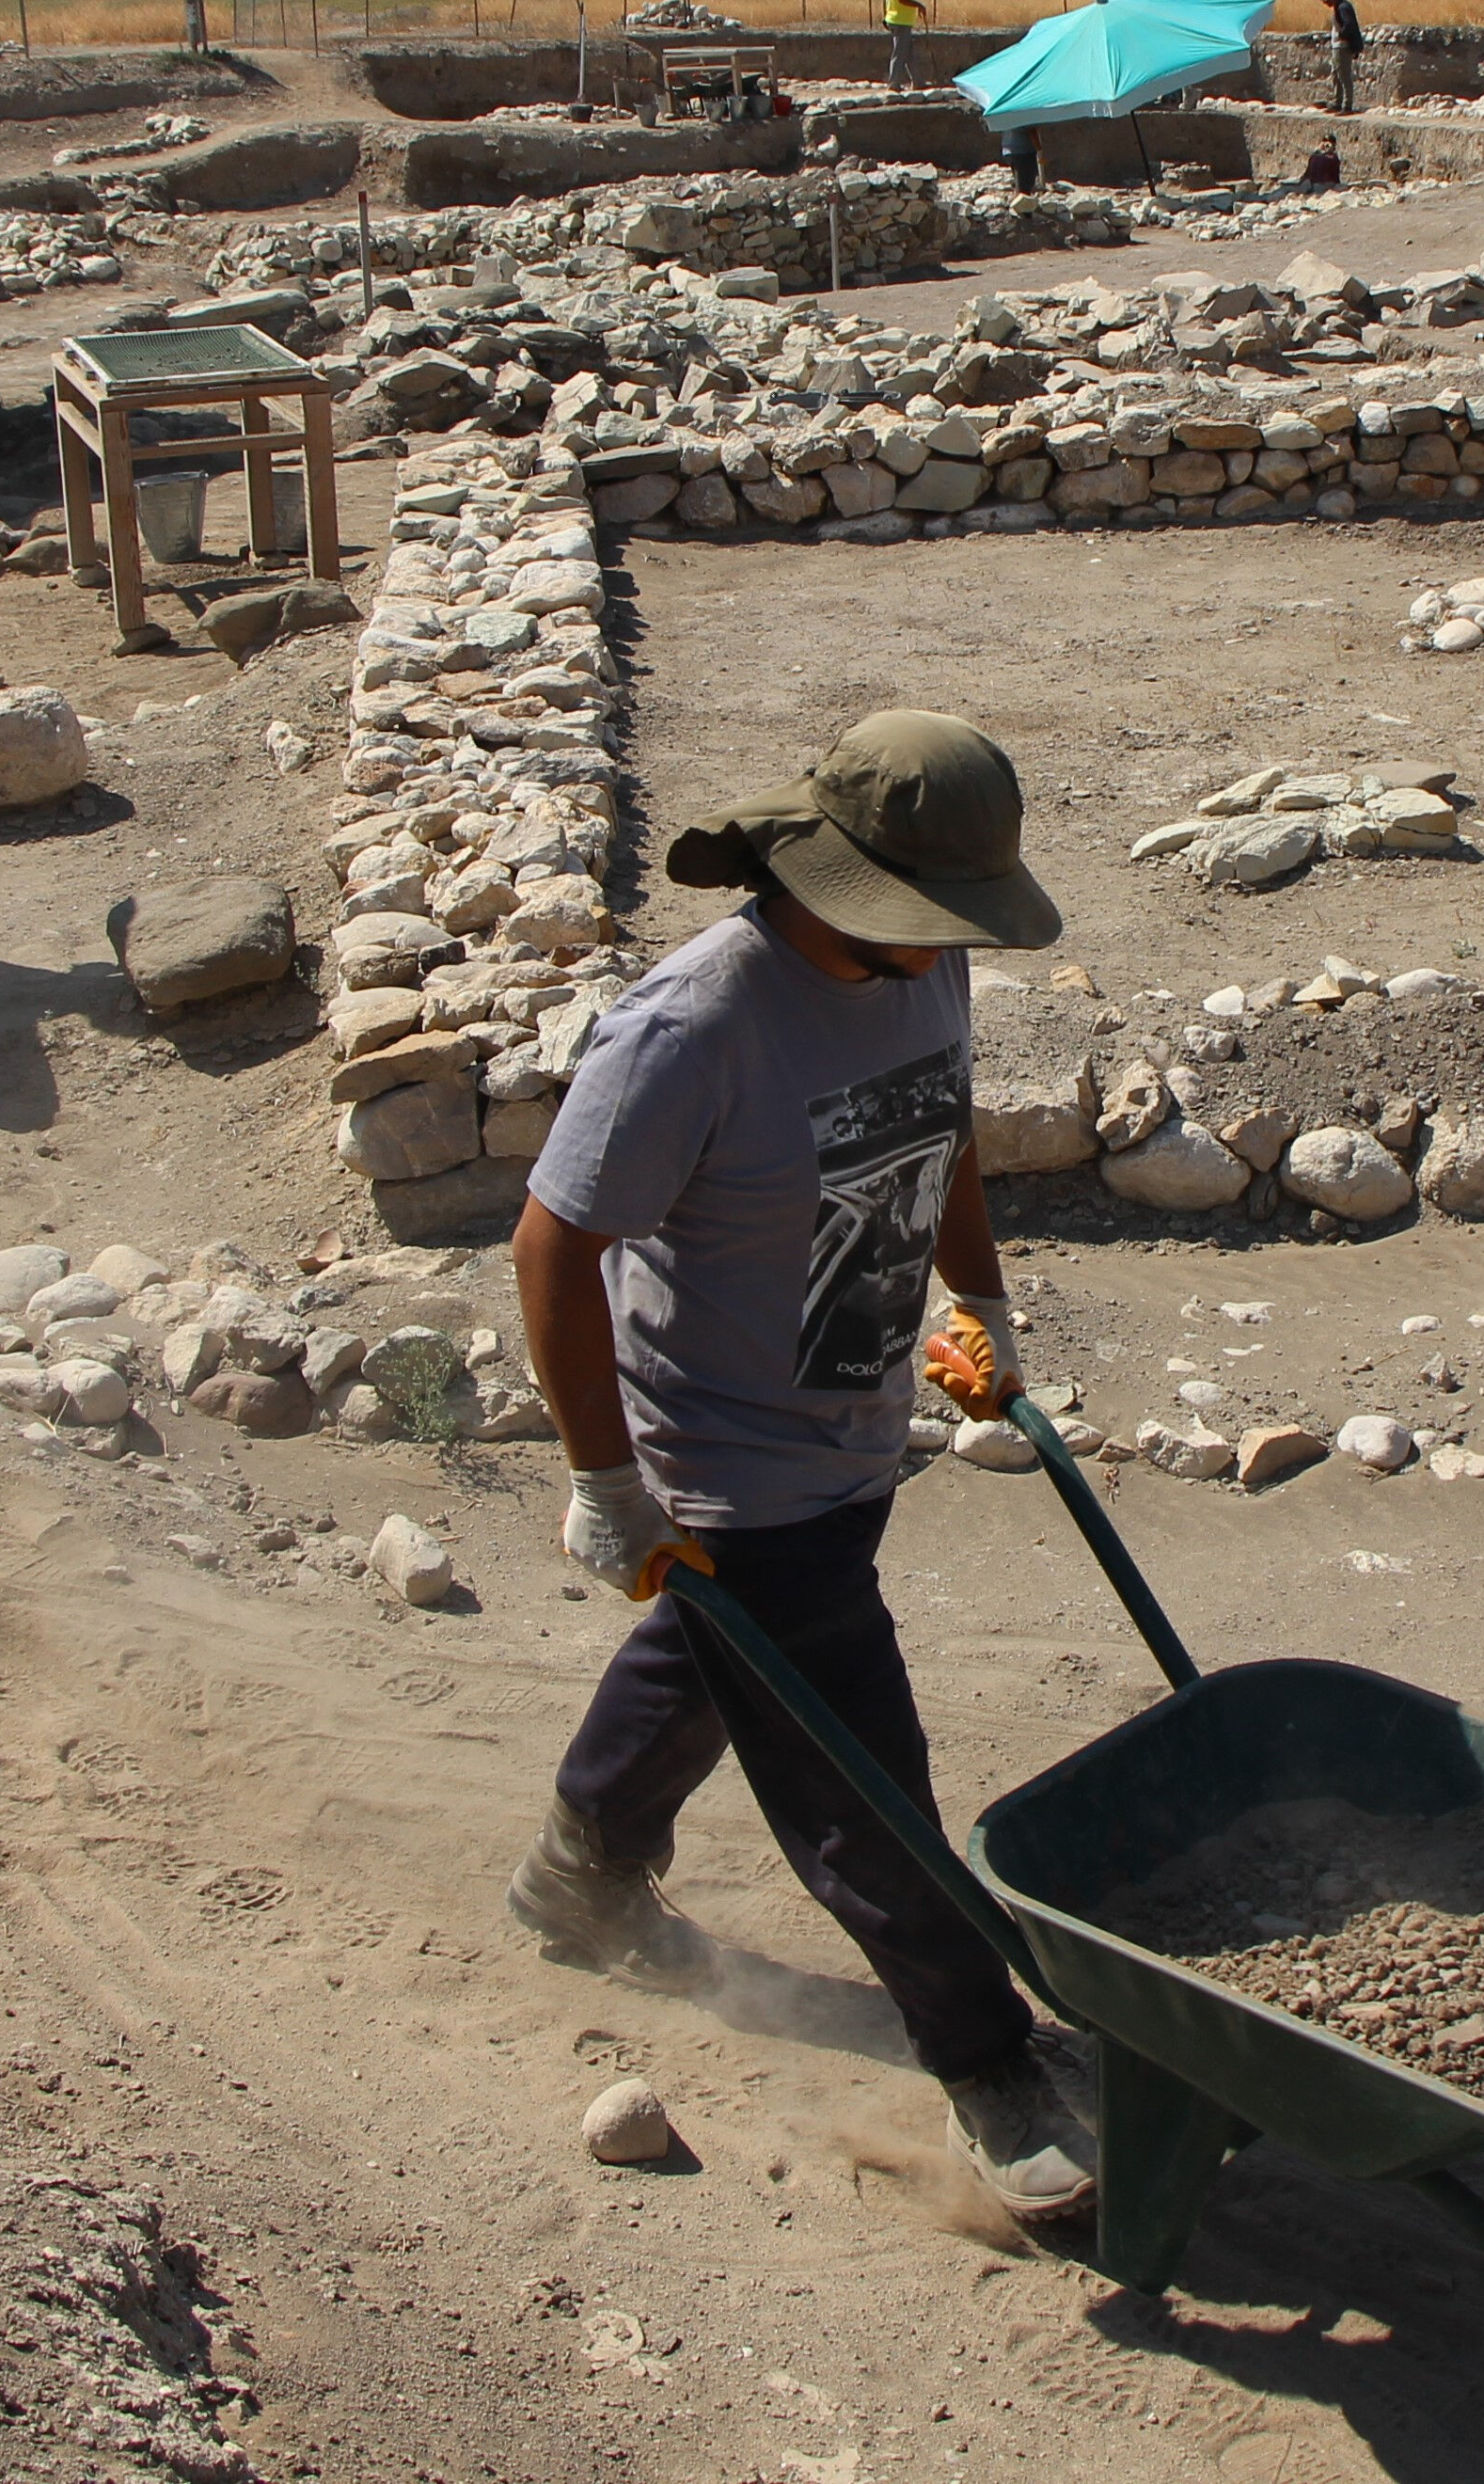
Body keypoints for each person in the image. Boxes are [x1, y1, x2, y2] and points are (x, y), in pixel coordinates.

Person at [507, 711, 1100, 2223]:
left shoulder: (923, 960)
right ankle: (985, 2059)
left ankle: (580, 1868)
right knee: (856, 1771)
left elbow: (941, 1130)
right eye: (933, 918)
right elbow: (554, 1244)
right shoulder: (693, 1029)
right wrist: (605, 1480)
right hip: (731, 1449)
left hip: (849, 1415)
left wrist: (978, 1298)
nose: (951, 943)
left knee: (722, 1652)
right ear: (842, 886)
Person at [878, 0, 928, 87]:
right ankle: (893, 83)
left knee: (908, 53)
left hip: (892, 17)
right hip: (901, 20)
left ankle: (918, 82)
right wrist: (919, 5)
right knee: (899, 53)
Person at [1317, 0, 1365, 117]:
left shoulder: (1343, 8)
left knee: (1344, 76)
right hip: (1338, 46)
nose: (1324, 3)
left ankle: (1347, 105)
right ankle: (1337, 103)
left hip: (1342, 47)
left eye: (1325, 0)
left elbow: (1349, 25)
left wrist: (1341, 35)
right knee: (1336, 75)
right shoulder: (1342, 6)